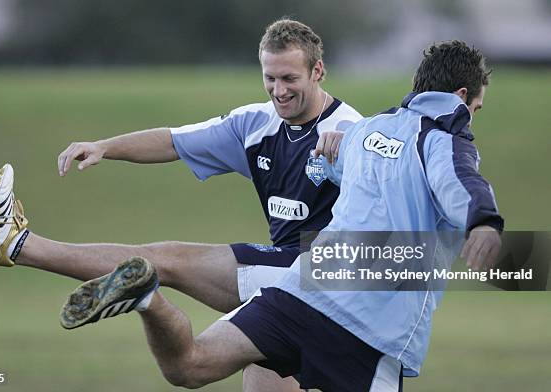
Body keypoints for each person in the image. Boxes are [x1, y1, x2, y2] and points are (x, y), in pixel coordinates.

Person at [56, 40, 503, 391]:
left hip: (301, 291)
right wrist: (485, 222)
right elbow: (461, 182)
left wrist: (335, 148)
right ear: (462, 97)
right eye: (476, 110)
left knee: (189, 365)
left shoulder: (368, 130)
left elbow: (335, 159)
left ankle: (148, 299)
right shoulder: (445, 137)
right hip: (370, 329)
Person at [0, 19, 362, 392]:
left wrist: (355, 155)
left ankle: (20, 246)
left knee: (165, 267)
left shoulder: (352, 132)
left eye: (289, 78)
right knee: (249, 364)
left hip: (331, 272)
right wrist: (105, 147)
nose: (278, 90)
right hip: (285, 274)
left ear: (317, 72)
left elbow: (402, 210)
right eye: (270, 78)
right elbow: (174, 142)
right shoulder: (256, 124)